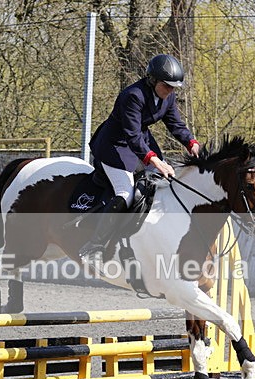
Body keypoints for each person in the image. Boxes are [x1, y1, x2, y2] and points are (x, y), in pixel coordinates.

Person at [78, 53, 201, 262]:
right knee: (125, 193)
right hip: (114, 146)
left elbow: (175, 124)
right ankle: (95, 245)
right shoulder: (133, 95)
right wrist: (155, 160)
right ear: (153, 80)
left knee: (161, 185)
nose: (171, 90)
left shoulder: (168, 96)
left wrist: (192, 143)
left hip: (141, 141)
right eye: (167, 85)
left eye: (173, 87)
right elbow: (132, 135)